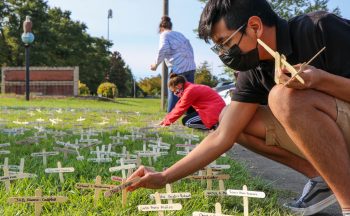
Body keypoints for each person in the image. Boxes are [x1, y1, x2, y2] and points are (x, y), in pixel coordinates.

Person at [129, 1, 350, 215]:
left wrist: (321, 80)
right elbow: (223, 135)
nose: (224, 53)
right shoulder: (253, 70)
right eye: (219, 47)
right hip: (330, 132)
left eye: (226, 42)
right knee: (231, 119)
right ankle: (323, 180)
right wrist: (164, 176)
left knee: (283, 97)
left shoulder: (320, 28)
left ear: (254, 27)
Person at [150, 16, 196, 113]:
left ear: (161, 28)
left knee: (173, 92)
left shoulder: (164, 34)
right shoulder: (180, 34)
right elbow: (190, 47)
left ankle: (169, 118)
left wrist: (155, 64)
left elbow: (163, 49)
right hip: (190, 66)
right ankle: (192, 117)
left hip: (178, 68)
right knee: (190, 94)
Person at [160, 73, 226, 130]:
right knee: (188, 110)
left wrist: (167, 123)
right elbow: (178, 106)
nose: (174, 93)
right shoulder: (189, 88)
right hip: (215, 110)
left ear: (179, 86)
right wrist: (166, 119)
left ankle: (213, 126)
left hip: (214, 112)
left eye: (174, 91)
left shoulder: (189, 91)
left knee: (187, 122)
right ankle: (213, 124)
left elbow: (180, 109)